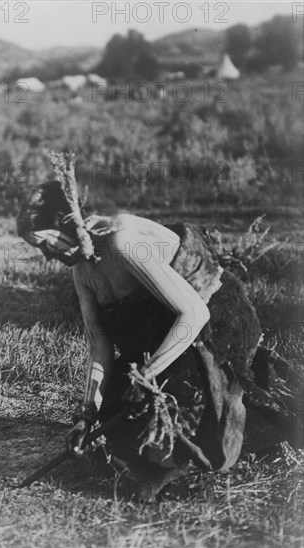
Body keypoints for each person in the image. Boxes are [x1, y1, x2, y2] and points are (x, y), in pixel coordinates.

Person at [17, 178, 303, 500]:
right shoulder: (82, 272)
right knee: (121, 417)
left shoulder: (122, 241)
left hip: (215, 320)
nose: (46, 255)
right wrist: (86, 417)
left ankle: (254, 417)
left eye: (44, 243)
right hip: (163, 335)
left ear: (65, 223)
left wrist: (147, 377)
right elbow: (100, 349)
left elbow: (194, 314)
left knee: (184, 405)